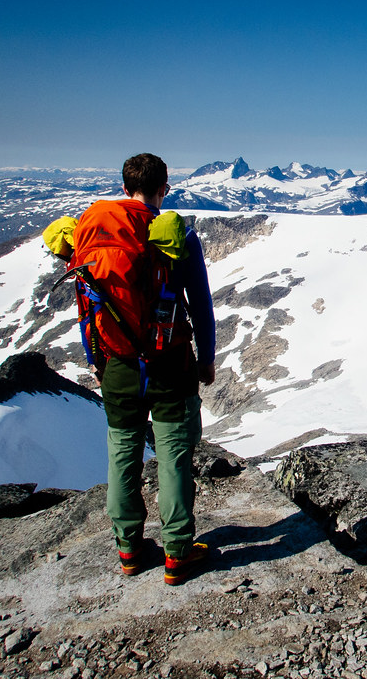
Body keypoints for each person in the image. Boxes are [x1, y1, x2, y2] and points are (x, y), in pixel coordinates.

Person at [89, 153, 216, 585]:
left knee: (122, 454)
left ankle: (129, 550)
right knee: (174, 457)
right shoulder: (177, 237)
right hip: (170, 363)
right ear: (164, 189)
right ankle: (178, 553)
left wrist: (95, 359)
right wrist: (207, 359)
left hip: (117, 364)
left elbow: (89, 305)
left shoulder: (97, 233)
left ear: (125, 188)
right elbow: (200, 305)